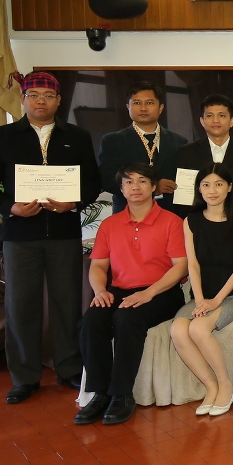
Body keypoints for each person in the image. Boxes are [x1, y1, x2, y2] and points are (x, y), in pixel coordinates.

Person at [0, 71, 101, 405]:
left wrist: (74, 203)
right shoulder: (1, 136)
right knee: (21, 306)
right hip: (20, 235)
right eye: (34, 95)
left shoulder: (77, 136)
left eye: (48, 95)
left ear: (59, 101)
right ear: (23, 100)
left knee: (67, 303)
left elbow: (91, 182)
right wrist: (11, 208)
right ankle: (24, 377)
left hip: (63, 233)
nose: (40, 101)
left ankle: (69, 368)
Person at [74, 164, 188, 426]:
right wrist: (100, 290)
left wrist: (149, 293)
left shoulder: (171, 221)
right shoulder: (110, 224)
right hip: (119, 290)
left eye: (142, 181)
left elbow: (180, 266)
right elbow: (99, 265)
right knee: (91, 320)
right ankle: (100, 393)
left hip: (162, 291)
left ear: (153, 187)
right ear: (121, 189)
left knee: (127, 320)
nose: (135, 187)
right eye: (128, 182)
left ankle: (122, 394)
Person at [169, 164, 233, 417]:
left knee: (198, 328)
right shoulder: (191, 221)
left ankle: (227, 385)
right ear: (199, 189)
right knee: (178, 329)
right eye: (206, 184)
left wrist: (216, 300)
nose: (212, 190)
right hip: (203, 295)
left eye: (219, 184)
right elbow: (193, 264)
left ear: (229, 188)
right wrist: (199, 299)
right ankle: (211, 386)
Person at [97, 81, 189, 213]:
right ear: (128, 106)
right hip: (128, 212)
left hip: (170, 214)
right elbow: (108, 180)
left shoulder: (179, 141)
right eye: (137, 103)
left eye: (150, 103)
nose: (143, 108)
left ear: (161, 108)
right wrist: (153, 187)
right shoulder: (113, 141)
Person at [173, 93, 233, 218]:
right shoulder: (185, 153)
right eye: (210, 116)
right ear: (202, 121)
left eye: (221, 115)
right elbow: (181, 200)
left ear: (232, 121)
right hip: (197, 223)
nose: (215, 120)